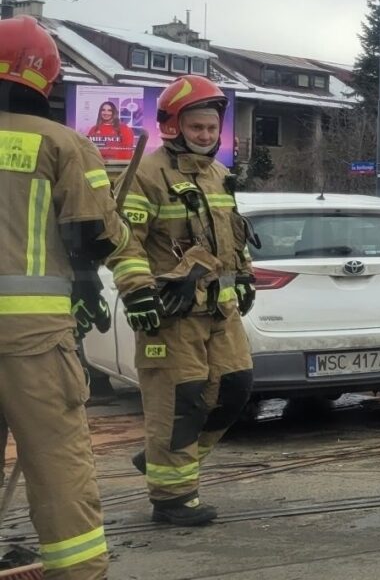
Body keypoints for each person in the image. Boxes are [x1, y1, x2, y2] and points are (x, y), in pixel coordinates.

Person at [0, 16, 160, 579]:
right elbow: (94, 229)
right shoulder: (62, 144)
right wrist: (95, 280)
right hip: (35, 343)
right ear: (45, 78)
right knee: (58, 468)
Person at [121, 75, 256, 526]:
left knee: (234, 389)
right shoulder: (145, 173)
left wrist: (246, 276)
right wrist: (138, 292)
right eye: (196, 127)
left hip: (220, 308)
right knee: (181, 403)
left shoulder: (219, 175)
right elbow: (125, 242)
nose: (206, 135)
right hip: (172, 314)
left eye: (211, 128)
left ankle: (162, 458)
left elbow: (232, 236)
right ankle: (172, 498)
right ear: (174, 126)